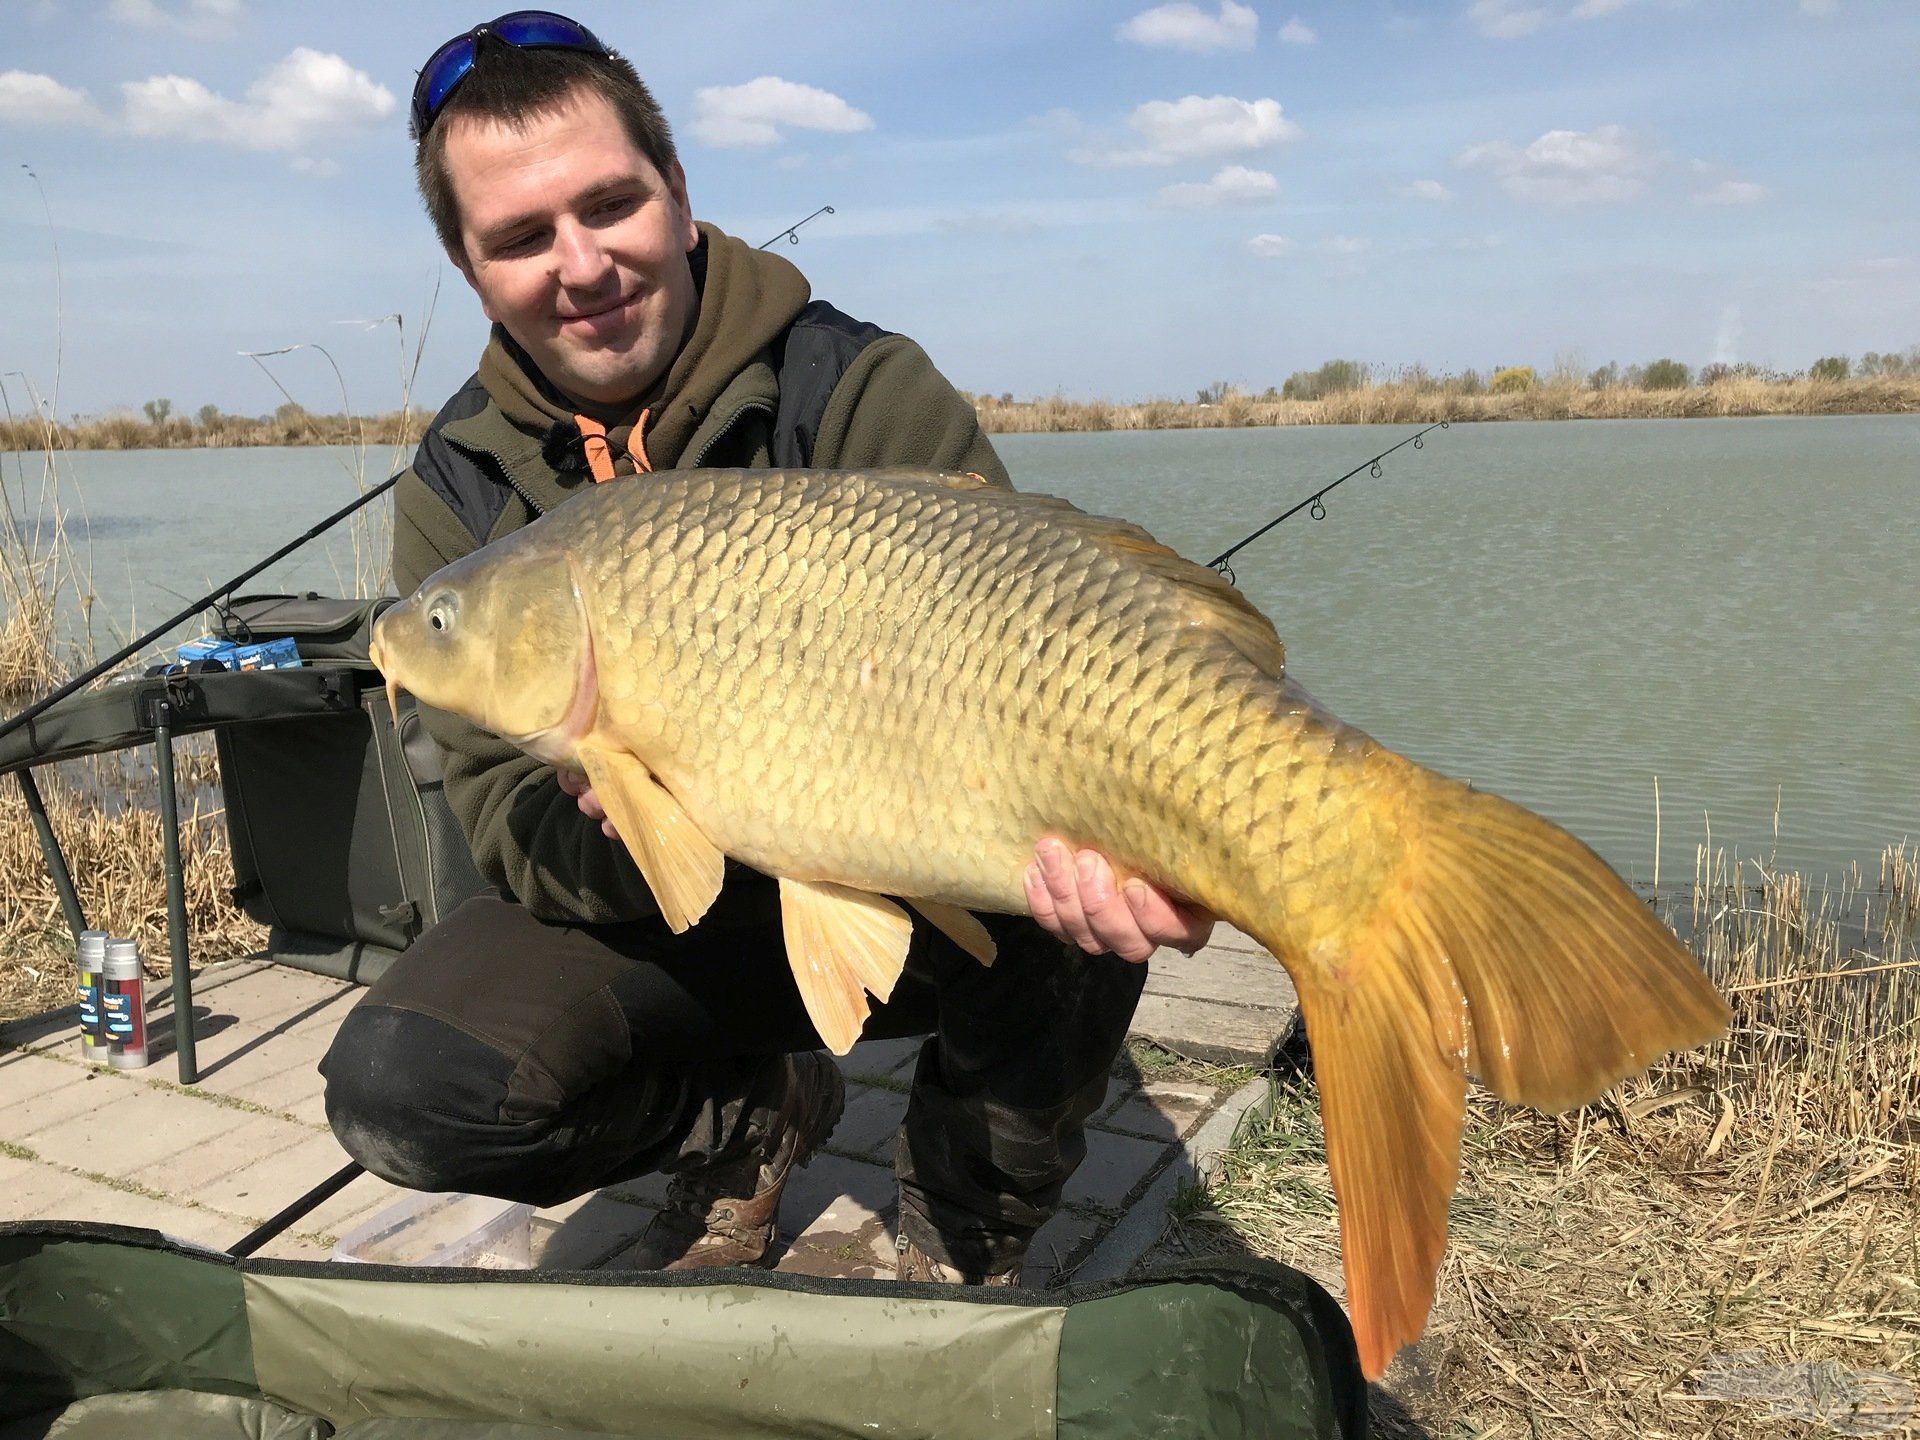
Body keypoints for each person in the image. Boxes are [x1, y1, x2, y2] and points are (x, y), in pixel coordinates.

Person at [320, 11, 1212, 1286]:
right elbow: (502, 820)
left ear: (677, 195)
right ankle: (747, 1116)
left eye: (609, 204)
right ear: (472, 269)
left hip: (915, 860)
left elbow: (1038, 636)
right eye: (521, 237)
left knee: (1087, 831)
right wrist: (627, 821)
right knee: (403, 1088)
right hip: (674, 907)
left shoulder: (854, 385)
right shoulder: (459, 488)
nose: (581, 264)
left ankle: (970, 1213)